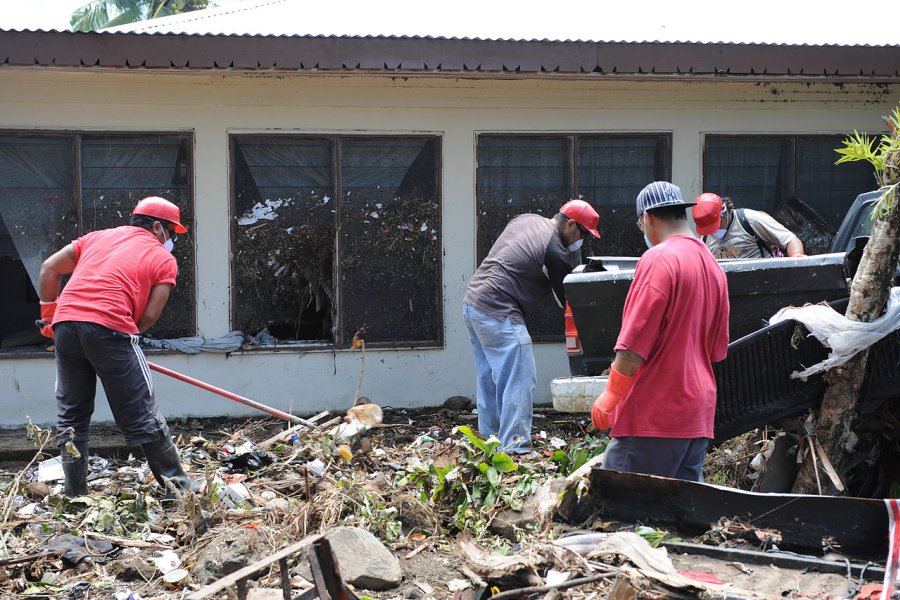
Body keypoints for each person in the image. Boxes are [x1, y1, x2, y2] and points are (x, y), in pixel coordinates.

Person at [38, 196, 191, 498]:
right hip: (111, 327)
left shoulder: (96, 238)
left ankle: (75, 494)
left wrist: (49, 317)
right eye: (172, 233)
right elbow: (147, 317)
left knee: (72, 415)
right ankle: (181, 493)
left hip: (65, 326)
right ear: (158, 226)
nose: (171, 241)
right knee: (142, 410)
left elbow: (48, 268)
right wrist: (112, 336)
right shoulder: (163, 259)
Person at [591, 182, 729, 481]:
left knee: (620, 511)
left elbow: (633, 346)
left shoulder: (659, 259)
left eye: (640, 222)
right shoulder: (713, 266)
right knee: (678, 520)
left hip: (655, 414)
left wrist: (611, 395)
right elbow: (718, 350)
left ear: (648, 218)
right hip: (697, 416)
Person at [464, 199, 600, 454]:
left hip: (473, 303)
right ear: (570, 223)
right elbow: (569, 299)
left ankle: (490, 442)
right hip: (499, 309)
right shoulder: (556, 249)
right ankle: (515, 447)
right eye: (581, 233)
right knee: (519, 377)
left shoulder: (527, 219)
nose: (581, 240)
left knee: (490, 380)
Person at [696, 195, 806, 259]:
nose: (713, 231)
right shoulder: (705, 239)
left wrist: (796, 255)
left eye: (715, 226)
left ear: (724, 214)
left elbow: (791, 240)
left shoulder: (750, 219)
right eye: (708, 229)